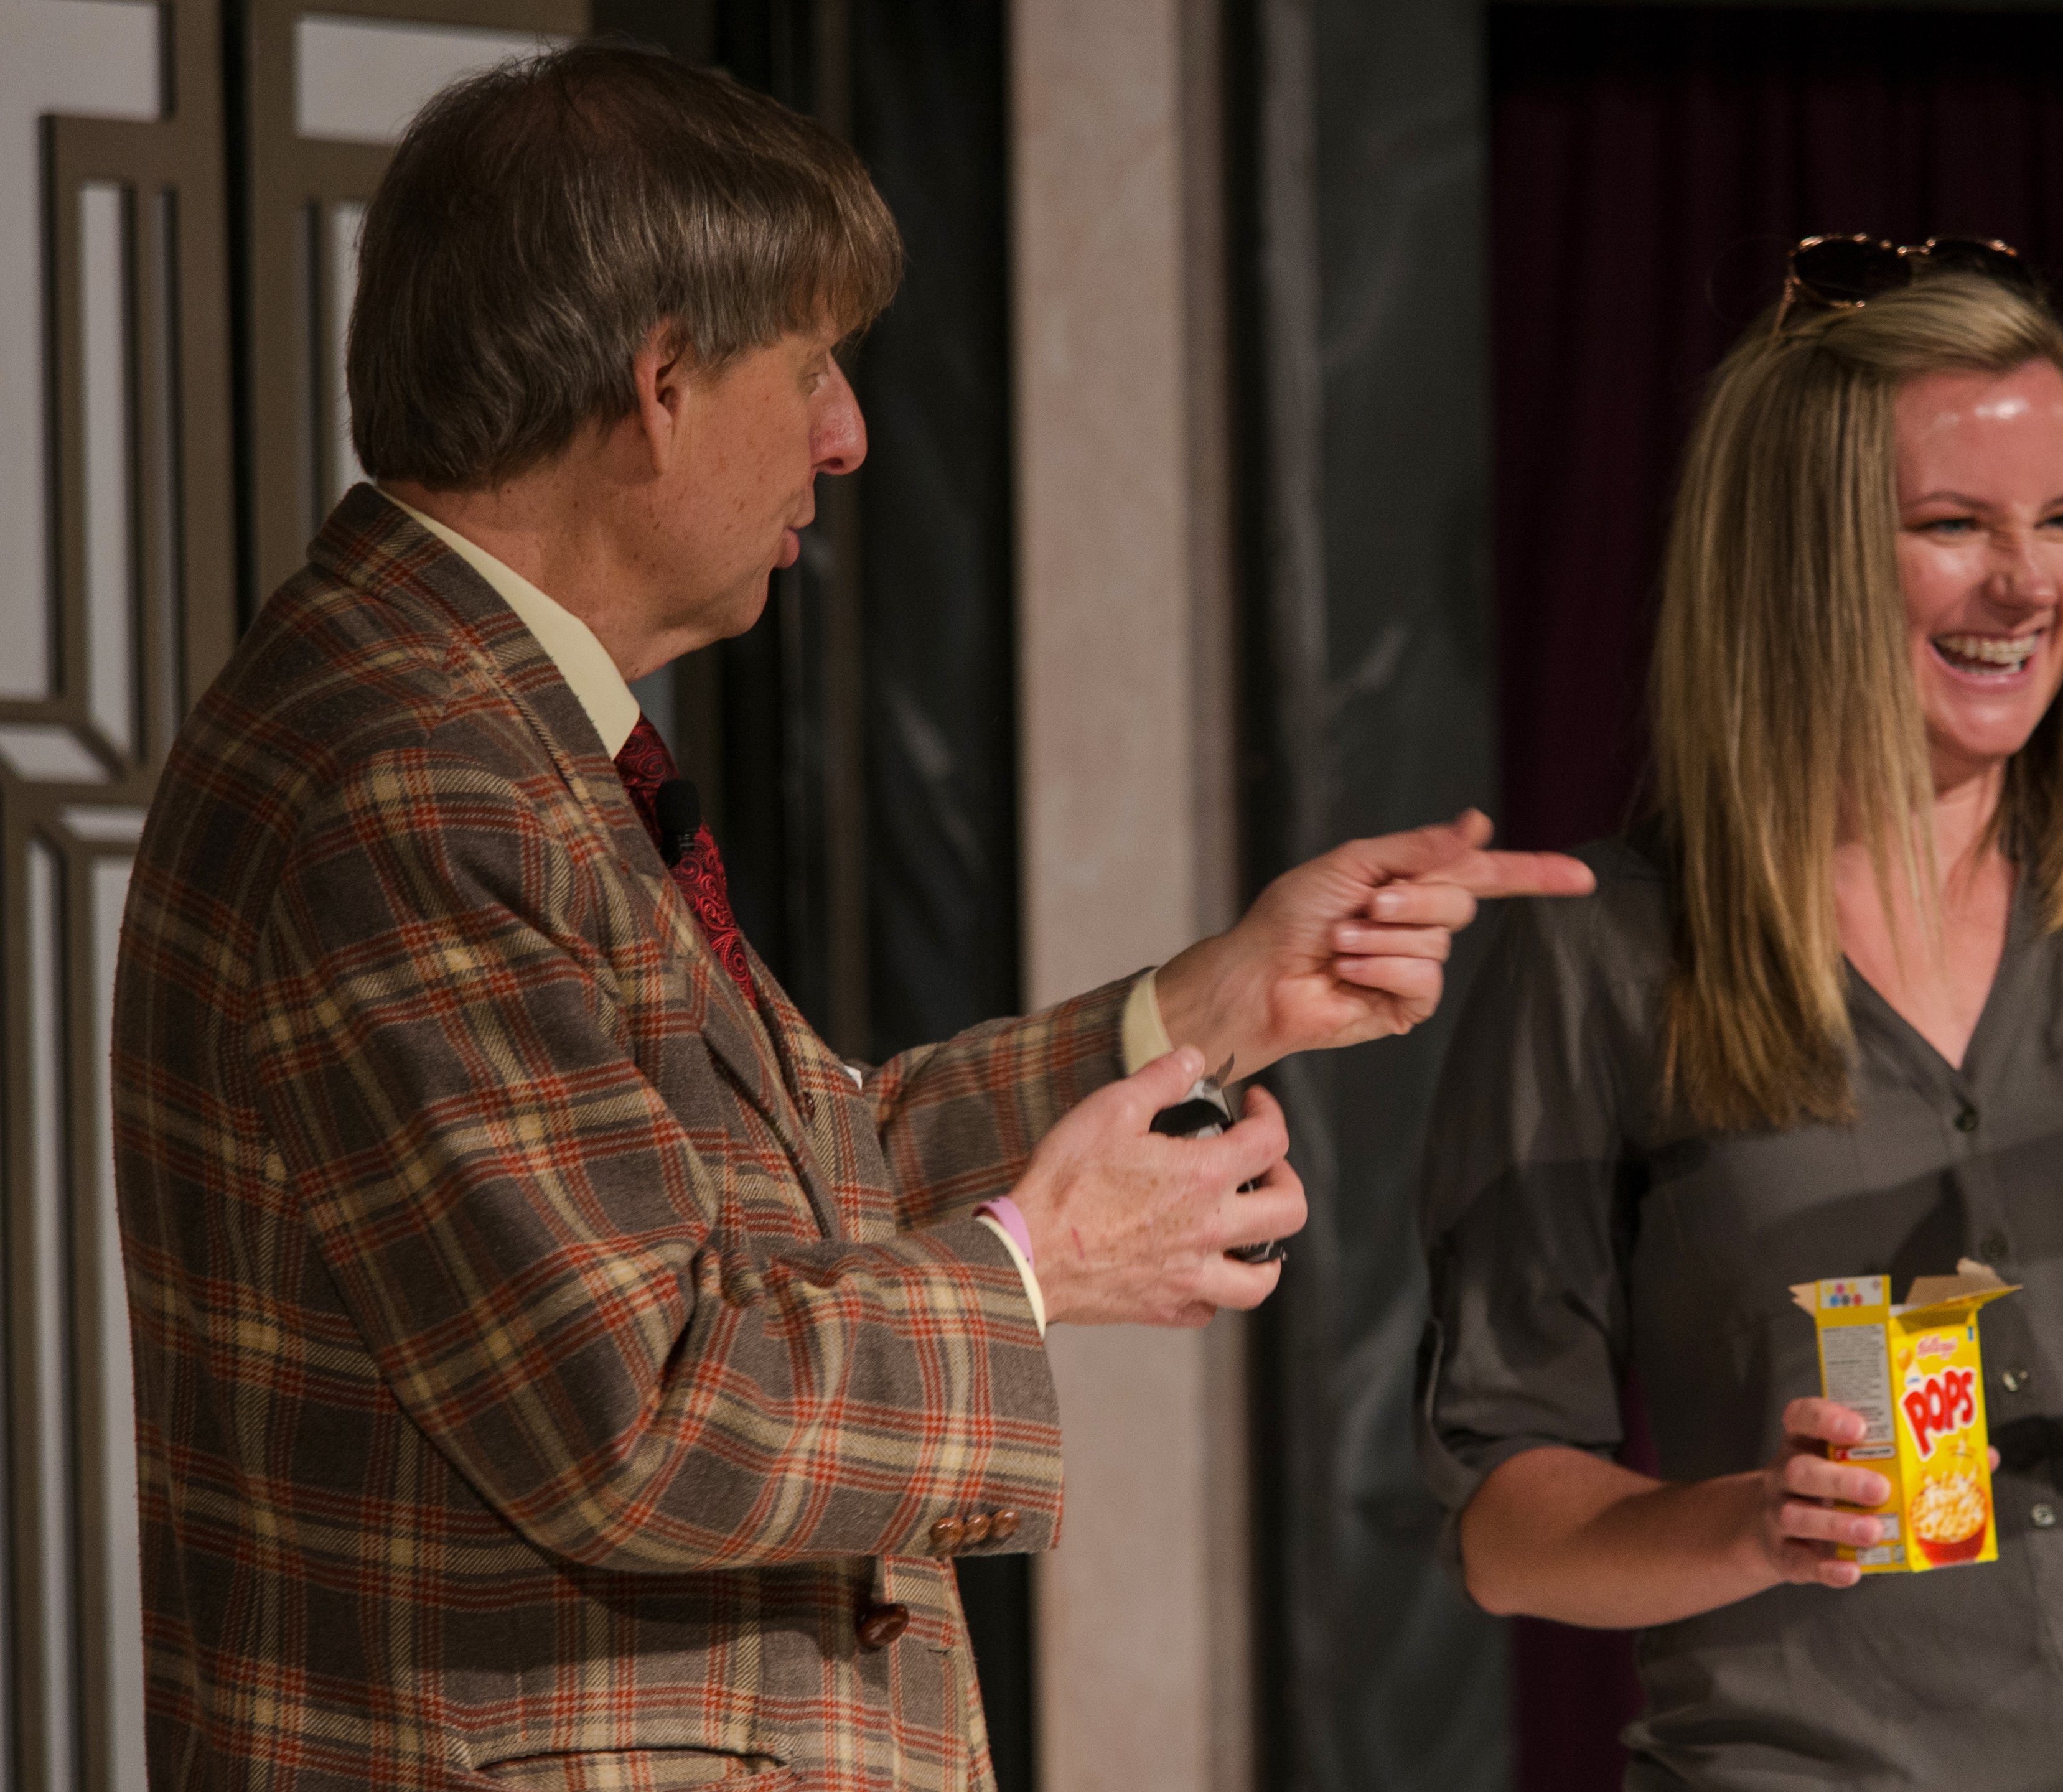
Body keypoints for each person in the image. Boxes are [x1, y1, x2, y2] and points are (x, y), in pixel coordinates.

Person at [111, 42, 1588, 1792]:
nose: (851, 432)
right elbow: (645, 1416)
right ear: (658, 382)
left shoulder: (478, 720)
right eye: (811, 364)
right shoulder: (420, 774)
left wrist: (1217, 1004)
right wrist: (1043, 1267)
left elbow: (787, 1197)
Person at [1413, 237, 2063, 1791]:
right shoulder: (1605, 957)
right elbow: (1503, 1526)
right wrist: (1747, 1523)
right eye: (1953, 526)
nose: (2027, 584)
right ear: (1802, 560)